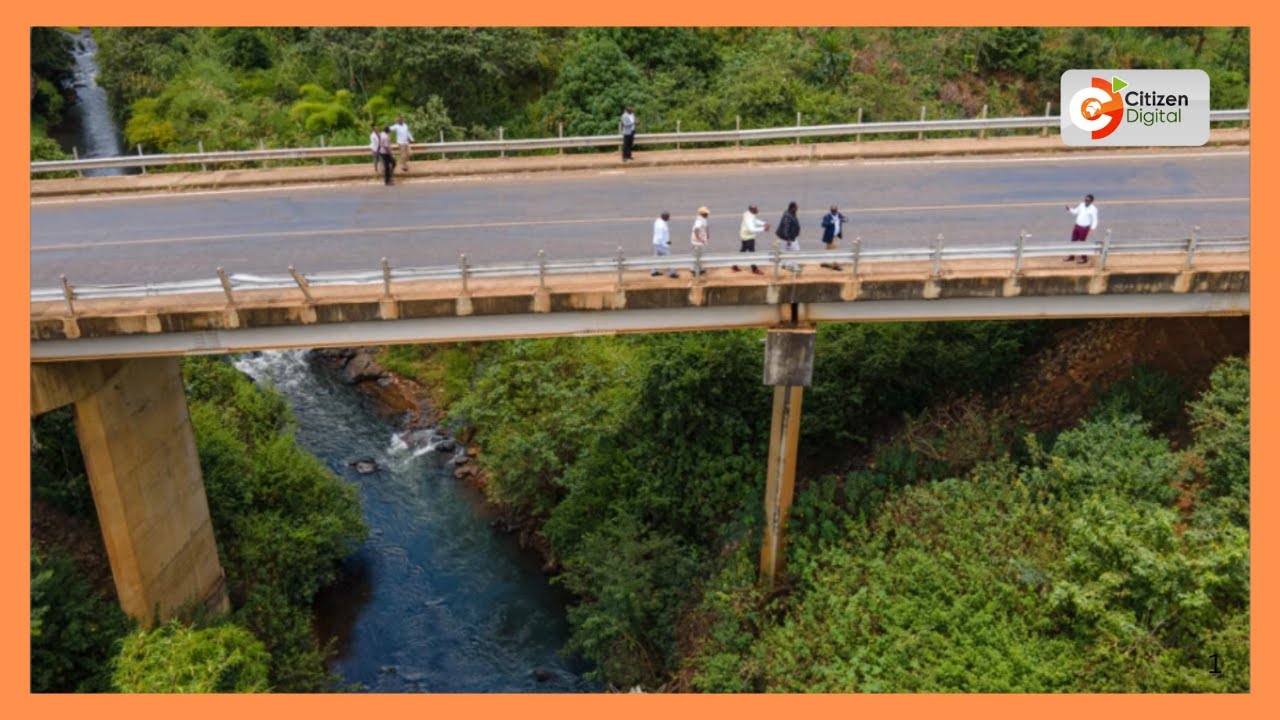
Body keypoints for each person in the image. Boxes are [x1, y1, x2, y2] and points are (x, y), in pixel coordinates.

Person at [1065, 194, 1098, 264]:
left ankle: (1084, 258)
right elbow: (1076, 211)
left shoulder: (1093, 209)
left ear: (1091, 201)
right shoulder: (1081, 205)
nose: (1086, 201)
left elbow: (1095, 220)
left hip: (1084, 228)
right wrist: (1069, 209)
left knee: (1082, 243)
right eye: (1085, 199)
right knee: (1073, 241)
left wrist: (1092, 228)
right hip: (1077, 226)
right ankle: (1071, 256)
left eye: (1088, 200)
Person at [736, 204, 768, 274]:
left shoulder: (748, 213)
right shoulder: (749, 218)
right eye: (756, 209)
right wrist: (763, 229)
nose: (757, 210)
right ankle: (754, 269)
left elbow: (755, 220)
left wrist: (763, 223)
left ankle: (734, 265)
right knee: (752, 253)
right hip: (748, 237)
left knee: (743, 250)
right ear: (752, 210)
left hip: (744, 235)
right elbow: (752, 229)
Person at [650, 211, 679, 278]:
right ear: (665, 217)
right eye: (668, 217)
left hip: (656, 243)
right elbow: (660, 237)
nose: (669, 218)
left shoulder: (658, 221)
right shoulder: (661, 226)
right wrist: (667, 243)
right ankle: (672, 273)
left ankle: (654, 271)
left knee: (656, 258)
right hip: (661, 244)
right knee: (669, 258)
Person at [820, 205, 848, 270]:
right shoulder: (827, 217)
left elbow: (846, 219)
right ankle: (835, 265)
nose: (835, 212)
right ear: (831, 211)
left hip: (835, 236)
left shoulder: (839, 215)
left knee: (828, 250)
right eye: (833, 211)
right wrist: (831, 222)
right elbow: (823, 224)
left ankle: (825, 262)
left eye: (835, 211)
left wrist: (843, 219)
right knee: (834, 251)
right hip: (830, 236)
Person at [776, 201, 801, 271]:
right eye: (796, 208)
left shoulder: (791, 213)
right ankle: (793, 266)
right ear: (792, 208)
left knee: (785, 251)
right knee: (796, 251)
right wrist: (788, 239)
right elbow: (785, 228)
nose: (797, 209)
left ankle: (784, 265)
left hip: (788, 238)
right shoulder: (787, 217)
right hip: (788, 238)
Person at [690, 206, 710, 276]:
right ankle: (693, 270)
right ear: (702, 214)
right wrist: (699, 239)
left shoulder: (703, 219)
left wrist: (707, 235)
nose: (708, 214)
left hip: (700, 241)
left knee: (700, 255)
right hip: (697, 242)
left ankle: (700, 269)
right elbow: (696, 230)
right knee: (697, 256)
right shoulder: (699, 220)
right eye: (706, 213)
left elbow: (706, 227)